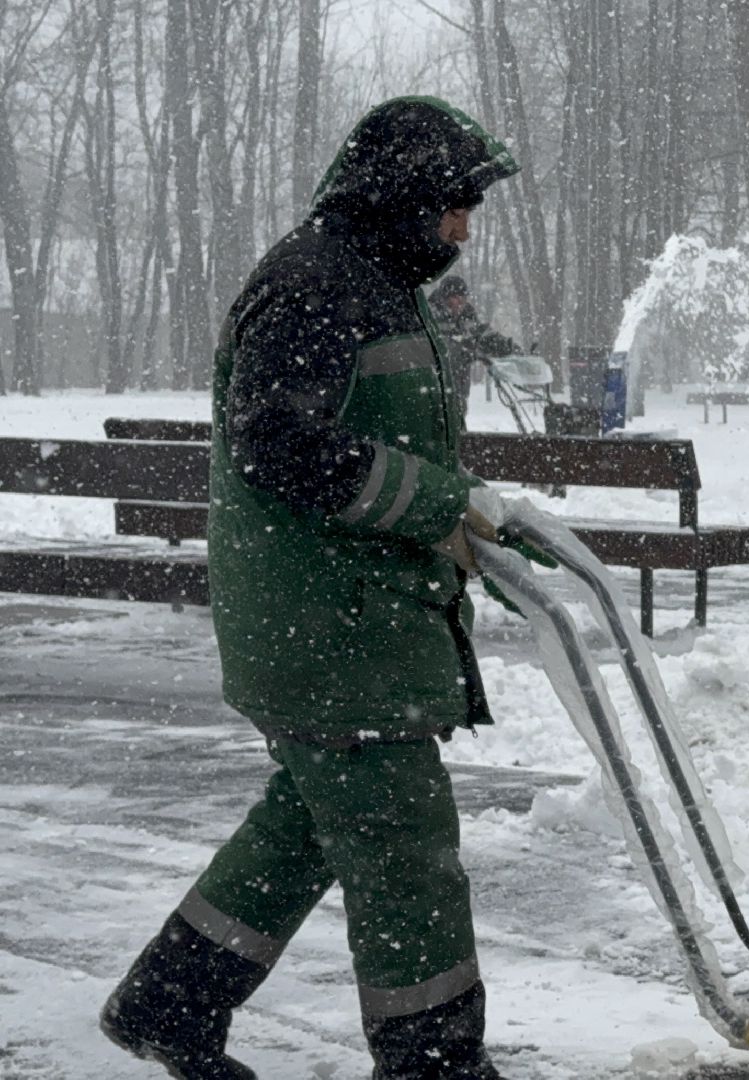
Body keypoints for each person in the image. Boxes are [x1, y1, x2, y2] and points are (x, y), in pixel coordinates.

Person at [99, 97, 520, 1080]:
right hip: (324, 628)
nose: (463, 229)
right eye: (453, 206)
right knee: (404, 840)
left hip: (351, 620)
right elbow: (281, 448)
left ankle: (170, 1002)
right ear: (402, 199)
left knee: (305, 826)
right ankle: (436, 1064)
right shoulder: (314, 284)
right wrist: (437, 503)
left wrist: (464, 513)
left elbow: (380, 433)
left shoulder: (379, 278)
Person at [428, 273, 523, 376]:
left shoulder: (467, 314)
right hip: (434, 378)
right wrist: (466, 353)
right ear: (444, 298)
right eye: (455, 297)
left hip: (460, 380)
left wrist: (507, 347)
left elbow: (481, 335)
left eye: (463, 297)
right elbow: (436, 347)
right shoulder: (430, 314)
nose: (461, 302)